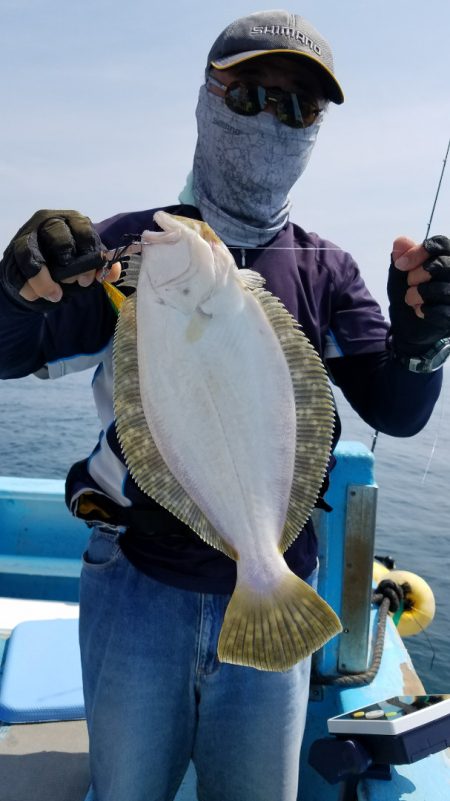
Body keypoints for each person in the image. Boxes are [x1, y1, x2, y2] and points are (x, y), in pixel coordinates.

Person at [1, 9, 449, 801]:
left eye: (299, 106)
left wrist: (424, 338)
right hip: (137, 582)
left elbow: (398, 406)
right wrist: (15, 292)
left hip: (278, 577)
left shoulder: (326, 267)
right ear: (207, 101)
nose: (273, 117)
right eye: (249, 95)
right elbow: (10, 351)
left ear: (317, 129)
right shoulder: (130, 252)